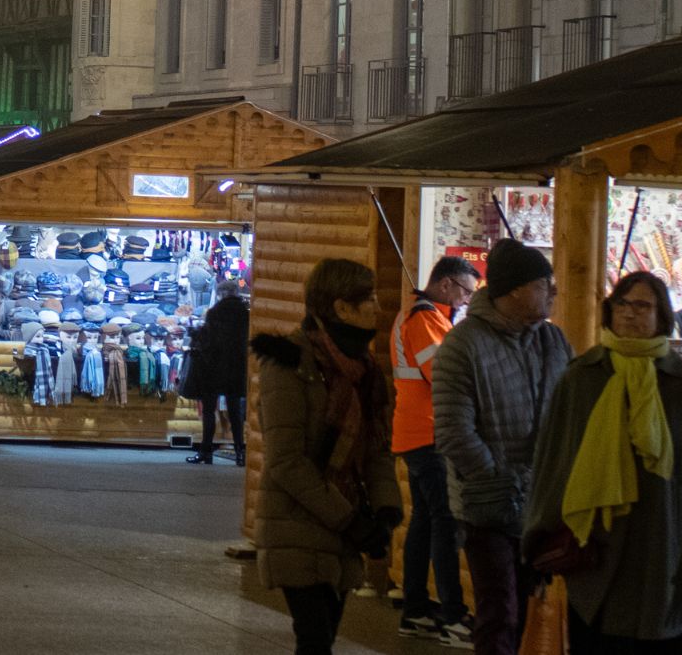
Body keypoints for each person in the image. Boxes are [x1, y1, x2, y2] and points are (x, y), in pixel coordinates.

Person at [525, 272, 682, 654]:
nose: (629, 313)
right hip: (597, 559)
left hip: (668, 556)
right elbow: (553, 463)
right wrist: (537, 539)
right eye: (622, 304)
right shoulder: (580, 380)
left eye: (642, 305)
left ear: (662, 316)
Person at [249, 257, 400, 655]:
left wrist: (385, 510)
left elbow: (375, 447)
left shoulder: (365, 370)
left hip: (341, 524)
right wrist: (350, 521)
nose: (378, 307)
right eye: (369, 299)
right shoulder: (288, 362)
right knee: (315, 639)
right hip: (295, 522)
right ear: (342, 308)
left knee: (323, 638)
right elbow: (286, 462)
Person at [431, 237, 573, 655]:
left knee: (527, 610)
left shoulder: (554, 341)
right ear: (512, 291)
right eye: (543, 284)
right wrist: (500, 480)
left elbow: (573, 412)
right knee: (500, 613)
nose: (553, 292)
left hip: (543, 505)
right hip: (487, 506)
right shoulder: (463, 344)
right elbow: (453, 431)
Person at [393, 255, 482, 645]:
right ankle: (453, 616)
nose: (466, 300)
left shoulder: (419, 315)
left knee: (426, 521)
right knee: (445, 522)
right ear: (446, 284)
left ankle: (415, 610)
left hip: (416, 432)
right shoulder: (426, 320)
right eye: (466, 292)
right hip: (429, 433)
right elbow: (443, 376)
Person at [180, 278, 249, 464]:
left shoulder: (215, 313)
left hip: (213, 368)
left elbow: (209, 341)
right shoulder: (245, 313)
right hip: (236, 368)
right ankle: (240, 453)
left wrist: (195, 333)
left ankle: (206, 452)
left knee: (209, 411)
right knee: (235, 412)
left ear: (221, 294)